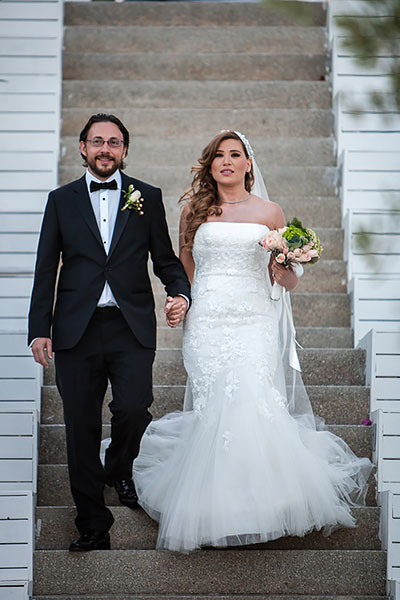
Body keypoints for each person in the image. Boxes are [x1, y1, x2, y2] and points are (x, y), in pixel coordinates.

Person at [131, 130, 372, 553]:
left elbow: (291, 278)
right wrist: (179, 303)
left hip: (254, 319)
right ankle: (214, 505)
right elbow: (184, 272)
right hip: (207, 322)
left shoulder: (271, 211)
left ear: (248, 164)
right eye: (218, 155)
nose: (226, 161)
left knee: (249, 401)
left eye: (235, 154)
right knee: (214, 407)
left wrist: (284, 269)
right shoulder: (194, 210)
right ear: (209, 165)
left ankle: (260, 504)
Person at [28, 113, 191, 552]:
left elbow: (167, 261)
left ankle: (120, 466)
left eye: (114, 142)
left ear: (124, 150)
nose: (105, 149)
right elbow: (46, 269)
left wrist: (181, 293)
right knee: (80, 424)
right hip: (74, 330)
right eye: (97, 141)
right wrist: (38, 330)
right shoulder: (61, 200)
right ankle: (93, 525)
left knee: (135, 408)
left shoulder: (147, 197)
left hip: (129, 324)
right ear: (83, 147)